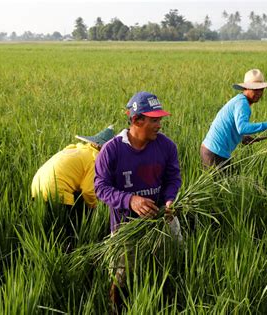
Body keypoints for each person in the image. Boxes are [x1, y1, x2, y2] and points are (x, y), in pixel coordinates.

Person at [94, 91, 182, 313]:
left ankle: (168, 301)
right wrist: (129, 199)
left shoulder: (166, 146)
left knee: (172, 262)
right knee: (121, 276)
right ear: (136, 120)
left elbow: (173, 178)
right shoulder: (111, 150)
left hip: (162, 220)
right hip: (125, 228)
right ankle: (117, 309)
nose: (159, 124)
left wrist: (170, 201)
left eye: (160, 119)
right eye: (154, 120)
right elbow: (100, 188)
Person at [31, 126, 115, 242]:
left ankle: (45, 244)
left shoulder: (77, 149)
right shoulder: (94, 159)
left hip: (37, 185)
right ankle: (66, 249)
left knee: (47, 228)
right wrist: (95, 210)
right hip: (56, 189)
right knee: (64, 231)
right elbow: (88, 190)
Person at [201, 69, 267, 168]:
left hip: (211, 150)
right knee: (228, 182)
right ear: (245, 88)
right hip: (215, 152)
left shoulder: (239, 100)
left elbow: (233, 126)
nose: (259, 93)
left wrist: (242, 137)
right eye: (255, 89)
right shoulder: (242, 103)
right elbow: (242, 127)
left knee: (230, 181)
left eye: (261, 89)